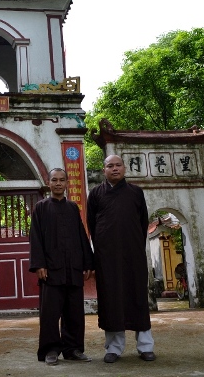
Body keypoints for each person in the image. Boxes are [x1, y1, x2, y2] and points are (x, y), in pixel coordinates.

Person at [86, 155, 156, 363]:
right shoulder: (96, 194)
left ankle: (145, 346)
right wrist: (101, 249)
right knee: (111, 300)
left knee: (138, 298)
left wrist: (134, 245)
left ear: (124, 168)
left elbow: (143, 222)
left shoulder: (135, 192)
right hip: (107, 257)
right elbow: (92, 225)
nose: (114, 169)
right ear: (104, 170)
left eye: (118, 165)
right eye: (110, 166)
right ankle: (114, 348)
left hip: (133, 255)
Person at [29, 168, 94, 366]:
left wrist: (87, 262)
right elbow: (35, 238)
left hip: (73, 268)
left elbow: (81, 235)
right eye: (54, 180)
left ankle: (73, 349)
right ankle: (50, 350)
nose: (58, 183)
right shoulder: (41, 207)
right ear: (48, 183)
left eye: (62, 180)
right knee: (50, 313)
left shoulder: (73, 207)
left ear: (67, 183)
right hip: (51, 270)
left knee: (74, 312)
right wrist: (39, 264)